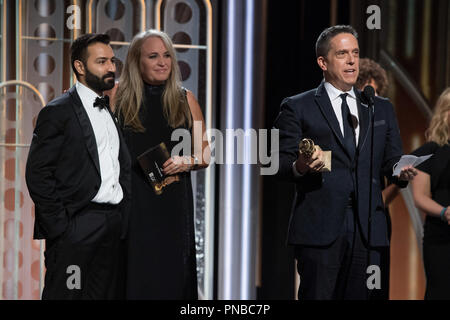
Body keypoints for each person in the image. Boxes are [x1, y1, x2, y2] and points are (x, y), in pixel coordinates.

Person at [273, 25, 417, 300]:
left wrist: (401, 171)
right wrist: (301, 166)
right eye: (342, 54)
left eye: (355, 53)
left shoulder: (379, 107)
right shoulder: (298, 106)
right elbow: (278, 163)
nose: (352, 60)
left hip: (368, 227)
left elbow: (391, 161)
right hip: (320, 228)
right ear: (323, 62)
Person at [25, 33, 131, 299]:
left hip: (112, 225)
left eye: (112, 61)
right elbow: (38, 174)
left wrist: (122, 218)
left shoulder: (109, 109)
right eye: (102, 61)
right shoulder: (58, 111)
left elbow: (119, 166)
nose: (111, 67)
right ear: (80, 67)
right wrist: (63, 228)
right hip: (76, 226)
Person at [113, 29, 210, 299]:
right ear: (136, 61)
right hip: (132, 204)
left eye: (167, 55)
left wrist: (185, 161)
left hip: (171, 204)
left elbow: (204, 155)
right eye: (153, 56)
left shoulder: (185, 99)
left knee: (170, 278)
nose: (162, 62)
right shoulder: (117, 97)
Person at [411, 88, 450, 300]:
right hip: (441, 238)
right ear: (445, 113)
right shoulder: (428, 152)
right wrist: (444, 212)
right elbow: (420, 197)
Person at [356, 58, 399, 206]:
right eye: (368, 91)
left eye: (377, 93)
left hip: (374, 212)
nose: (373, 98)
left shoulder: (382, 122)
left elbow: (395, 171)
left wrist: (379, 202)